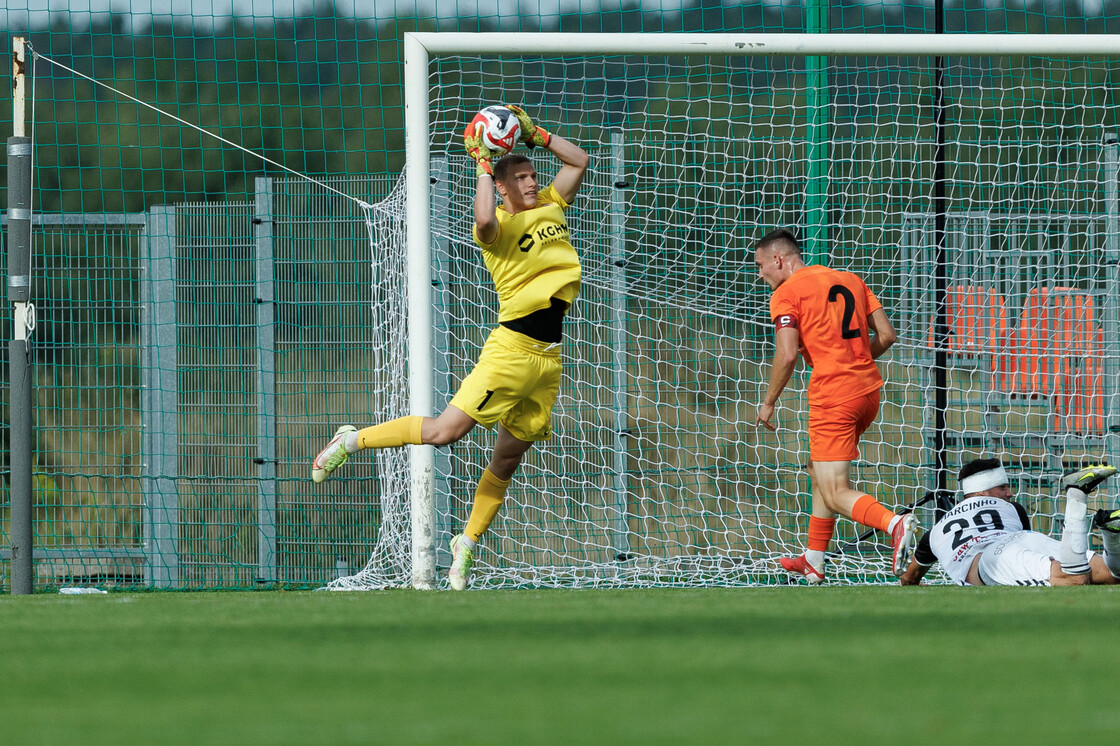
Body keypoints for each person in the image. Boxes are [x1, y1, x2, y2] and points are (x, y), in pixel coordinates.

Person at [311, 105, 590, 591]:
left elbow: (579, 161)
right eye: (520, 177)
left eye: (530, 175)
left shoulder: (551, 203)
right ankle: (353, 439)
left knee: (507, 460)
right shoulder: (497, 228)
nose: (530, 182)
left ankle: (467, 543)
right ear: (502, 186)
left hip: (549, 361)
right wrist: (485, 164)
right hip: (511, 351)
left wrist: (535, 134)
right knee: (445, 432)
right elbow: (482, 217)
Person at [752, 228, 914, 582]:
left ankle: (895, 524)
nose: (760, 274)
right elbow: (887, 334)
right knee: (819, 470)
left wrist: (768, 402)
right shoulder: (850, 279)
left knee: (834, 490)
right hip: (868, 392)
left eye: (761, 265)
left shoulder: (786, 294)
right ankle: (813, 559)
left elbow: (787, 353)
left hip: (834, 396)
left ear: (778, 260)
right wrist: (854, 361)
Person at [900, 459, 1119, 586]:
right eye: (1003, 487)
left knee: (1074, 579)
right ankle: (1111, 535)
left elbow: (910, 578)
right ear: (984, 491)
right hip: (1018, 543)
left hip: (992, 562)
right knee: (1110, 573)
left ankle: (1076, 495)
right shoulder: (1014, 510)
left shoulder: (934, 532)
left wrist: (908, 580)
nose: (1010, 493)